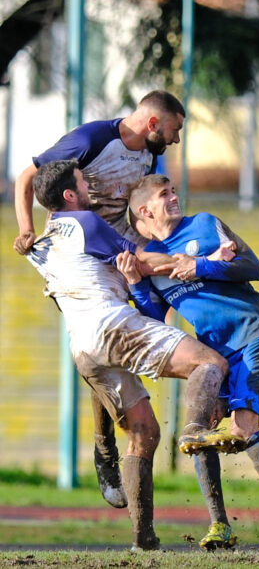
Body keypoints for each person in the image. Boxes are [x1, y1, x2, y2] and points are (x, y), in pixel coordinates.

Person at [23, 159, 236, 551]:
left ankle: (143, 540)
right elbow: (140, 259)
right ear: (70, 195)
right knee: (210, 364)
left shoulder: (41, 243)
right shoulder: (85, 223)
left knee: (144, 434)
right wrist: (204, 264)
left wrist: (134, 283)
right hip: (114, 327)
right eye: (85, 184)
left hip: (83, 347)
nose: (94, 190)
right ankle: (194, 431)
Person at [13, 90, 186, 510]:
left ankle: (230, 361)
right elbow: (27, 177)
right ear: (152, 123)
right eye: (173, 130)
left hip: (118, 247)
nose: (175, 139)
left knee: (184, 285)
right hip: (81, 250)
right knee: (102, 341)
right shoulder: (92, 140)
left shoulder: (148, 157)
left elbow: (136, 206)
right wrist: (25, 228)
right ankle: (104, 446)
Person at [121, 174, 259, 554]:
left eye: (173, 191)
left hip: (257, 336)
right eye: (163, 194)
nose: (173, 197)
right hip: (217, 356)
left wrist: (202, 265)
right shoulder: (151, 264)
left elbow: (253, 267)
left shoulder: (204, 224)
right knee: (198, 431)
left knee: (242, 426)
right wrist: (136, 285)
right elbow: (156, 318)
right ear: (144, 211)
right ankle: (220, 525)